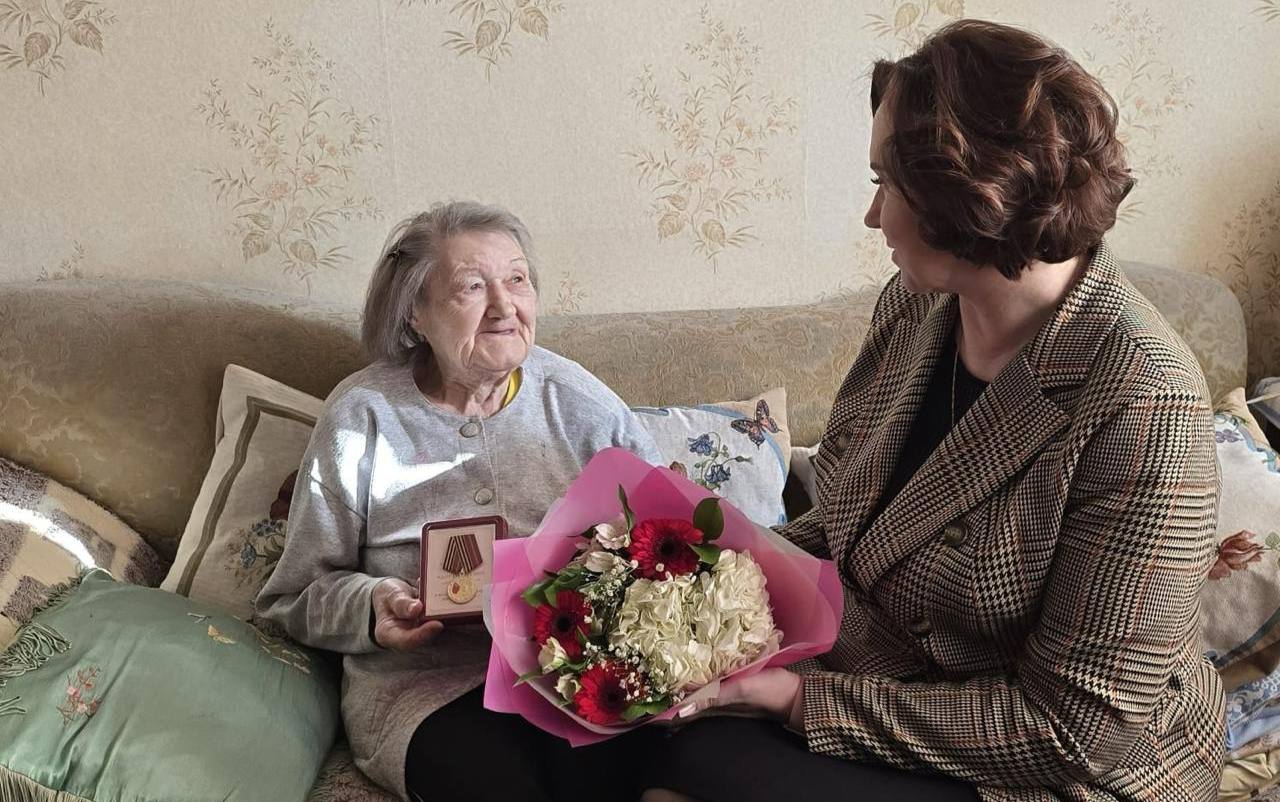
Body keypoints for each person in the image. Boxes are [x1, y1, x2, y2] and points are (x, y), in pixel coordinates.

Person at [653, 20, 1224, 802]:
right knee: (643, 729)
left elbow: (1075, 732)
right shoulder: (916, 305)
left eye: (885, 184)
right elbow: (852, 526)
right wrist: (691, 575)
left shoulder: (1144, 402)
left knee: (704, 762)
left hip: (1049, 766)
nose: (872, 216)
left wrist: (797, 701)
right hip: (885, 678)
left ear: (967, 194)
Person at [255, 201, 663, 802]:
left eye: (517, 279)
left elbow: (668, 541)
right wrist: (373, 606)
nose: (504, 306)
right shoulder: (362, 416)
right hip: (426, 689)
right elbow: (292, 595)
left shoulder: (581, 402)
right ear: (415, 312)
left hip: (576, 675)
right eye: (472, 287)